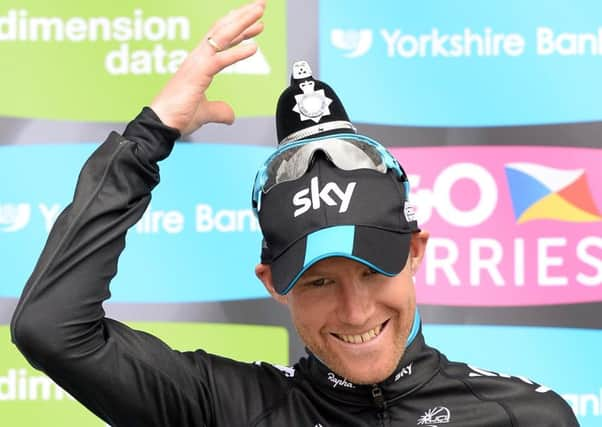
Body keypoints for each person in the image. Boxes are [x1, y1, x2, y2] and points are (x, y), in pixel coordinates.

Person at [10, 1, 579, 426]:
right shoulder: (226, 408)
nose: (355, 312)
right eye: (320, 279)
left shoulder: (527, 416)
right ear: (273, 284)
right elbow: (50, 329)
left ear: (414, 251)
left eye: (372, 269)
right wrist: (149, 136)